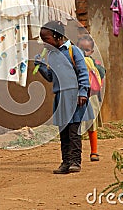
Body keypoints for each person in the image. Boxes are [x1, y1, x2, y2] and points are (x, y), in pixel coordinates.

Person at [35, 21, 94, 174]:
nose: (44, 43)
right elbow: (50, 77)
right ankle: (65, 162)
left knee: (74, 131)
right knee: (64, 132)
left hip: (74, 97)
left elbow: (83, 73)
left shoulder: (73, 51)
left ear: (56, 36)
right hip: (60, 97)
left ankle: (75, 161)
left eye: (46, 39)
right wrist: (41, 66)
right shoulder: (51, 55)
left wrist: (82, 92)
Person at [77, 35, 105, 162]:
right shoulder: (74, 62)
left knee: (92, 126)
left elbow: (102, 73)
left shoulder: (94, 63)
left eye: (86, 50)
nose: (83, 52)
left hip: (91, 98)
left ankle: (94, 151)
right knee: (76, 127)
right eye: (80, 48)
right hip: (77, 97)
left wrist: (91, 65)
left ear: (92, 52)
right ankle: (76, 152)